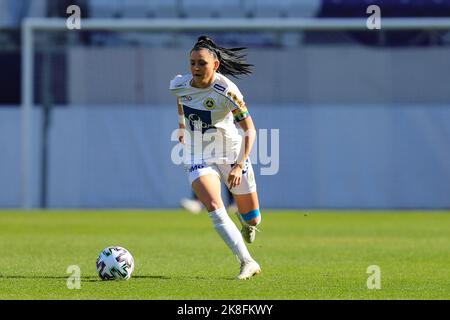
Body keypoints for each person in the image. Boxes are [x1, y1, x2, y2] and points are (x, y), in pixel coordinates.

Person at [169, 36, 262, 280]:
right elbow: (181, 100)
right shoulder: (179, 84)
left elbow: (249, 130)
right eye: (192, 63)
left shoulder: (227, 91)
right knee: (214, 206)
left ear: (215, 65)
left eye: (202, 63)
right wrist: (181, 126)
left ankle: (247, 223)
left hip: (231, 152)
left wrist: (239, 165)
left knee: (253, 218)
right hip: (198, 153)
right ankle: (247, 261)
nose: (196, 69)